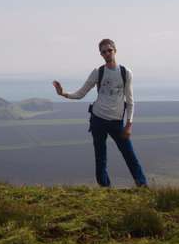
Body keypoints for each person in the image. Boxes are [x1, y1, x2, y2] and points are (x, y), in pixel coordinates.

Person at [52, 39, 148, 188]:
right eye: (104, 51)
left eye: (109, 50)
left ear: (115, 50)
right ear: (101, 54)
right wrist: (62, 93)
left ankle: (142, 185)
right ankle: (105, 187)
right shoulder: (98, 72)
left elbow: (130, 101)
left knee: (129, 154)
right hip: (98, 120)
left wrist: (129, 125)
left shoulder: (125, 72)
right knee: (100, 157)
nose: (107, 53)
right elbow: (80, 93)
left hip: (117, 122)